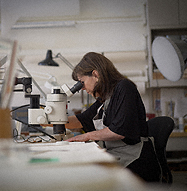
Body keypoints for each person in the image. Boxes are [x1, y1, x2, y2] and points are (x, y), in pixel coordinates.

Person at [65, 52, 161, 182]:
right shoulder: (105, 98)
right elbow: (81, 120)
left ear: (95, 74)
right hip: (118, 155)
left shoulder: (124, 88)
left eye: (82, 82)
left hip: (136, 162)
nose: (81, 88)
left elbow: (119, 131)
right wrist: (49, 120)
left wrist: (87, 136)